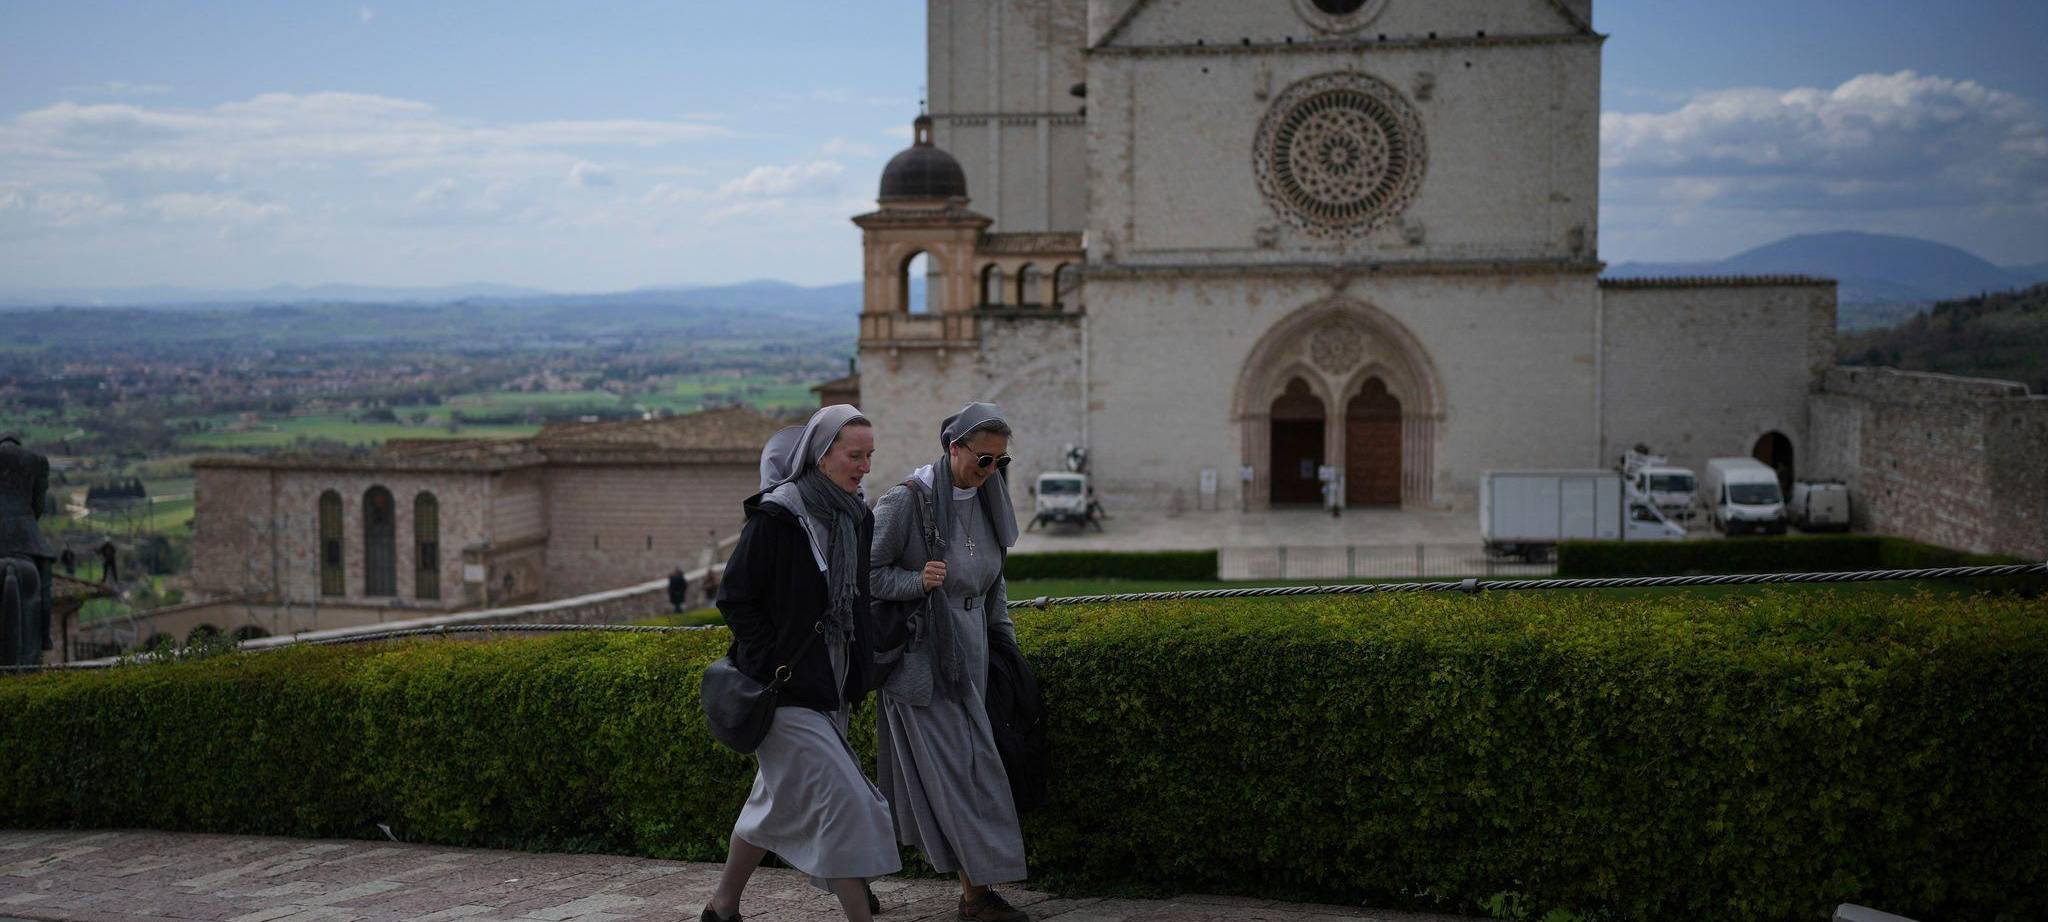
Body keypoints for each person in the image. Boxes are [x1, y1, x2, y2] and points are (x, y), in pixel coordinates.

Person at [704, 405, 897, 922]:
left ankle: (722, 907)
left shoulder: (858, 514)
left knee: (770, 804)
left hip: (830, 684)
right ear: (821, 454)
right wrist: (773, 663)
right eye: (854, 455)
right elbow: (735, 598)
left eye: (869, 456)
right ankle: (860, 913)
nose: (864, 466)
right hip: (785, 693)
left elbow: (856, 602)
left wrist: (863, 667)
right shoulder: (778, 518)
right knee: (845, 801)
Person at [868, 403, 1031, 922]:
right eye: (983, 459)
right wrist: (918, 582)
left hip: (973, 657)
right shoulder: (906, 501)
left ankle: (850, 874)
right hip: (924, 664)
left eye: (1000, 463)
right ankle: (976, 896)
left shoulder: (986, 499)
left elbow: (993, 583)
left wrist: (1006, 646)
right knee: (960, 775)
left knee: (966, 770)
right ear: (953, 447)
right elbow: (865, 576)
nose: (990, 471)